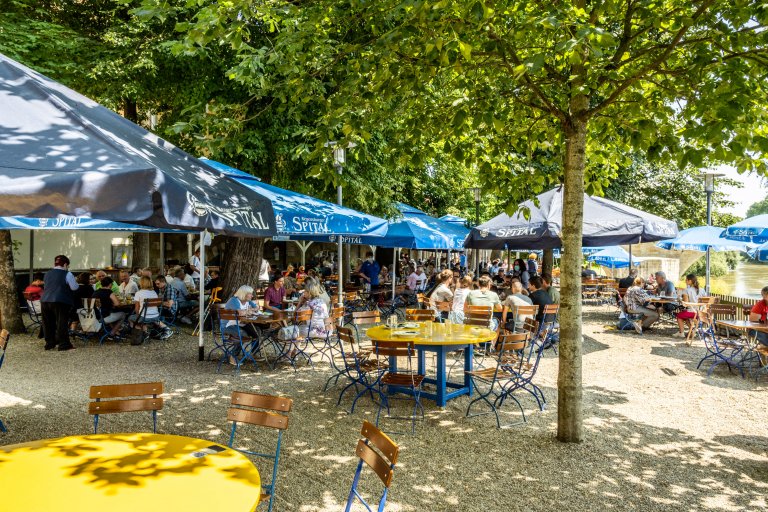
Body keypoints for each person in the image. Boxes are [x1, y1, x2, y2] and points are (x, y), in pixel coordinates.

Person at [40, 255, 78, 351]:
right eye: (67, 265)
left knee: (47, 323)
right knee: (61, 323)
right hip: (60, 300)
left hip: (45, 300)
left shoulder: (47, 273)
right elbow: (74, 287)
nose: (67, 267)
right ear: (65, 264)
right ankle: (64, 344)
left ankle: (49, 343)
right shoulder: (67, 274)